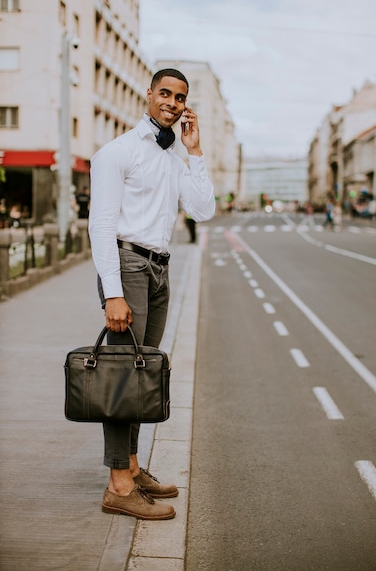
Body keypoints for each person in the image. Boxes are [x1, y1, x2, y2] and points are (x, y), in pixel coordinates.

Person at [88, 68, 215, 520]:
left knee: (142, 376)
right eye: (166, 93)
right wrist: (113, 294)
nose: (173, 102)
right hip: (126, 267)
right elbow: (101, 226)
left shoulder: (173, 157)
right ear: (149, 94)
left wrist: (195, 150)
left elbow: (203, 209)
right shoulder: (117, 152)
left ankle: (134, 467)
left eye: (181, 97)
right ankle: (118, 484)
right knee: (123, 377)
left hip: (158, 270)